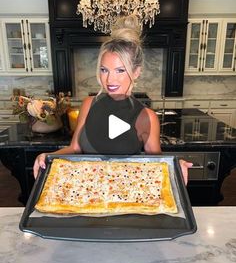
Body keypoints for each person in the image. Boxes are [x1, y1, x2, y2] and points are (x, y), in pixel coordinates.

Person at [33, 15, 192, 183]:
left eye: (120, 71)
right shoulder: (88, 104)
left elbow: (158, 165)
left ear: (136, 72)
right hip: (86, 191)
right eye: (104, 70)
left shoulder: (147, 117)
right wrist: (47, 156)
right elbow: (75, 148)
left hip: (124, 195)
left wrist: (176, 166)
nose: (109, 80)